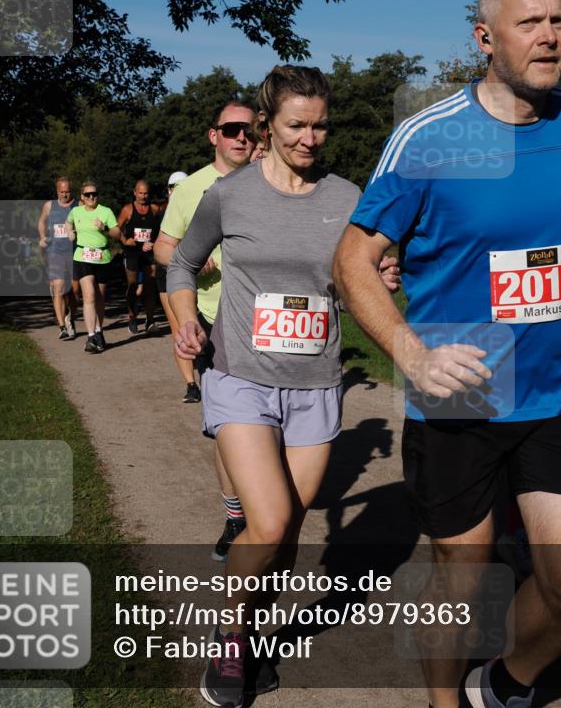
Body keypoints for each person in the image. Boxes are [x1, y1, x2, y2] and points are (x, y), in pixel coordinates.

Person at [333, 0, 561, 708]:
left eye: (559, 19)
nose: (550, 35)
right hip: (461, 398)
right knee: (459, 581)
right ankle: (443, 702)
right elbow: (353, 260)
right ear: (484, 37)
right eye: (529, 21)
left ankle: (497, 687)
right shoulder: (427, 139)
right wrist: (410, 353)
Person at [169, 66, 400, 707]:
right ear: (267, 126)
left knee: (289, 530)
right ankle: (232, 637)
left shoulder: (351, 198)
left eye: (320, 124)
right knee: (267, 522)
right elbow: (183, 262)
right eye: (296, 125)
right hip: (239, 375)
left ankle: (255, 638)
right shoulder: (229, 195)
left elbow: (365, 280)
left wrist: (383, 276)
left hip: (316, 384)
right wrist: (187, 322)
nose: (310, 138)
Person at [154, 101, 257, 562]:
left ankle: (269, 511)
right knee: (230, 430)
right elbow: (163, 249)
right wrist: (199, 261)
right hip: (217, 320)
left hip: (270, 321)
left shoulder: (273, 178)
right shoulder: (192, 187)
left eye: (250, 130)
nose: (242, 137)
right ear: (212, 135)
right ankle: (237, 515)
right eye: (231, 129)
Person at [66, 180, 120, 354]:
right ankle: (90, 337)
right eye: (87, 194)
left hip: (102, 257)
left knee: (99, 299)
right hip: (82, 257)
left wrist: (104, 227)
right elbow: (68, 223)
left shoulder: (106, 211)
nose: (91, 197)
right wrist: (70, 232)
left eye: (94, 194)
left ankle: (98, 331)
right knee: (88, 295)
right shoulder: (76, 211)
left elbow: (117, 233)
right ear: (82, 196)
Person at [116, 180, 162, 334]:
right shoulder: (128, 210)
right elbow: (117, 229)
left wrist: (154, 242)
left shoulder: (154, 210)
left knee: (150, 286)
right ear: (134, 192)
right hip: (132, 253)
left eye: (146, 193)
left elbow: (162, 230)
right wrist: (125, 240)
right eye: (140, 193)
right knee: (133, 285)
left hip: (148, 253)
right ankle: (132, 316)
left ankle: (150, 320)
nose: (143, 196)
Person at [37, 178, 79, 340]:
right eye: (62, 192)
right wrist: (42, 237)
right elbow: (41, 222)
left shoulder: (78, 205)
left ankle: (71, 319)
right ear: (57, 191)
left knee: (75, 290)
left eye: (67, 191)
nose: (65, 195)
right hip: (55, 252)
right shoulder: (49, 206)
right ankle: (62, 326)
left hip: (74, 252)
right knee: (58, 287)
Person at [155, 171, 188, 345]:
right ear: (168, 190)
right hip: (166, 273)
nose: (177, 190)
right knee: (177, 327)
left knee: (190, 324)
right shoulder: (160, 215)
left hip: (191, 275)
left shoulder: (197, 212)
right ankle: (188, 371)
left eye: (182, 186)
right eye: (173, 187)